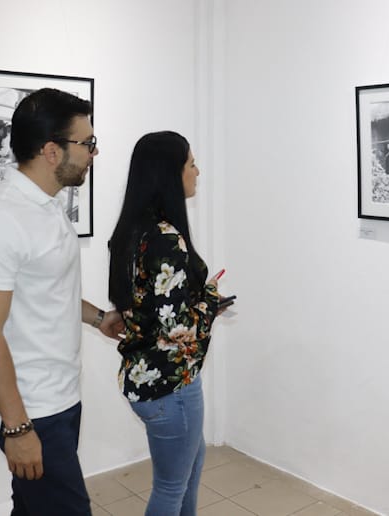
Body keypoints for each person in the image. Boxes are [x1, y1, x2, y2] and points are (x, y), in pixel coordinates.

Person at [0, 88, 124, 516]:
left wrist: (99, 318)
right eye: (87, 142)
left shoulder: (47, 207)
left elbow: (49, 292)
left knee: (32, 508)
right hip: (31, 408)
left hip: (60, 396)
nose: (94, 152)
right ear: (52, 151)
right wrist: (17, 429)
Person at [108, 131, 224, 516]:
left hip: (143, 378)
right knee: (171, 487)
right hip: (171, 385)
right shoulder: (166, 238)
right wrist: (210, 299)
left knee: (190, 465)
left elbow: (145, 307)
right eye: (191, 164)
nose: (197, 172)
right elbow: (177, 330)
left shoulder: (130, 231)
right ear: (170, 173)